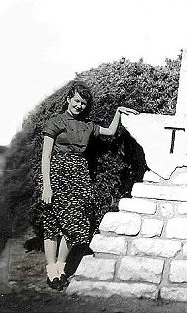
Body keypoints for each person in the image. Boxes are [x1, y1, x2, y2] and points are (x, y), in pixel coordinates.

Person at [40, 82, 138, 291]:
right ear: (68, 99)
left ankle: (61, 266)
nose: (79, 106)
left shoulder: (88, 126)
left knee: (76, 222)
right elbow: (46, 156)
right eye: (76, 101)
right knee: (52, 223)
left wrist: (118, 111)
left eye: (83, 103)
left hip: (79, 177)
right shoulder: (55, 122)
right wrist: (46, 186)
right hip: (57, 175)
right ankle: (51, 271)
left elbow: (111, 132)